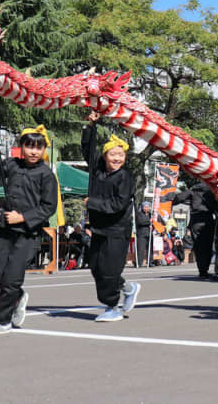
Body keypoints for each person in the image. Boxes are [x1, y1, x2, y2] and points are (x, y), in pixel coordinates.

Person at [0, 125, 59, 334]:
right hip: (6, 231)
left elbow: (48, 207)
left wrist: (22, 217)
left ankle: (2, 320)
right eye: (29, 146)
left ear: (44, 150)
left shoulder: (46, 175)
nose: (33, 151)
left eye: (38, 147)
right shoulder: (12, 165)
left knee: (12, 278)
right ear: (21, 147)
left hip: (29, 234)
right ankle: (19, 296)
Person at [83, 112, 140, 322]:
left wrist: (92, 203)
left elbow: (118, 204)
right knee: (96, 268)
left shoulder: (125, 177)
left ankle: (112, 306)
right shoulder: (97, 172)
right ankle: (128, 287)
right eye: (112, 154)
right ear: (105, 156)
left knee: (109, 270)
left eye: (121, 155)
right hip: (98, 229)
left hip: (117, 230)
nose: (117, 158)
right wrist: (91, 125)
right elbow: (88, 151)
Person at [173, 182, 217, 279]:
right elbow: (216, 206)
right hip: (208, 219)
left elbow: (178, 198)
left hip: (195, 220)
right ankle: (205, 269)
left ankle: (202, 270)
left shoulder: (193, 191)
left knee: (198, 246)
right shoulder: (211, 192)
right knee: (208, 245)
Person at [134, 201, 153, 267]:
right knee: (141, 249)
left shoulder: (151, 214)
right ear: (142, 207)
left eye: (147, 207)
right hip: (141, 234)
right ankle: (139, 262)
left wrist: (152, 225)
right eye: (145, 207)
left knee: (150, 249)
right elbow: (140, 222)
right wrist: (148, 222)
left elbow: (153, 222)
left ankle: (150, 262)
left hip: (149, 233)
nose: (146, 208)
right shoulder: (139, 214)